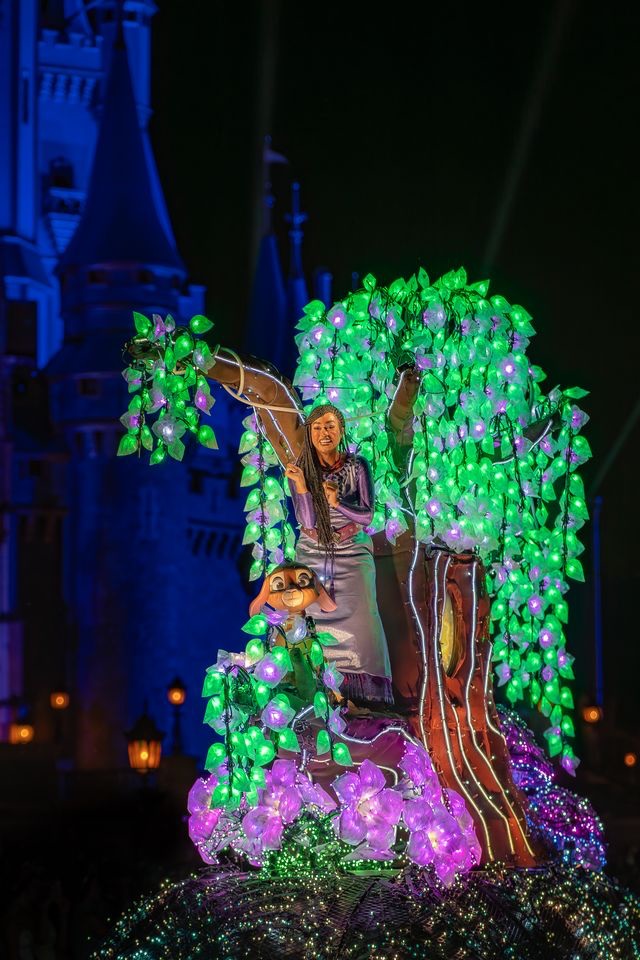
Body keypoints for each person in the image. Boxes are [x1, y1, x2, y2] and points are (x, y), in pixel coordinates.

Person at [283, 404, 392, 706]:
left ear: (341, 430)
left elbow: (367, 516)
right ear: (309, 433)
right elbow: (307, 521)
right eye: (317, 428)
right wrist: (302, 487)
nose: (324, 433)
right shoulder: (300, 469)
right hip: (313, 552)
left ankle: (365, 696)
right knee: (311, 618)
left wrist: (338, 503)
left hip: (351, 550)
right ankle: (317, 691)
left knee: (362, 619)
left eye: (330, 426)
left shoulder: (358, 466)